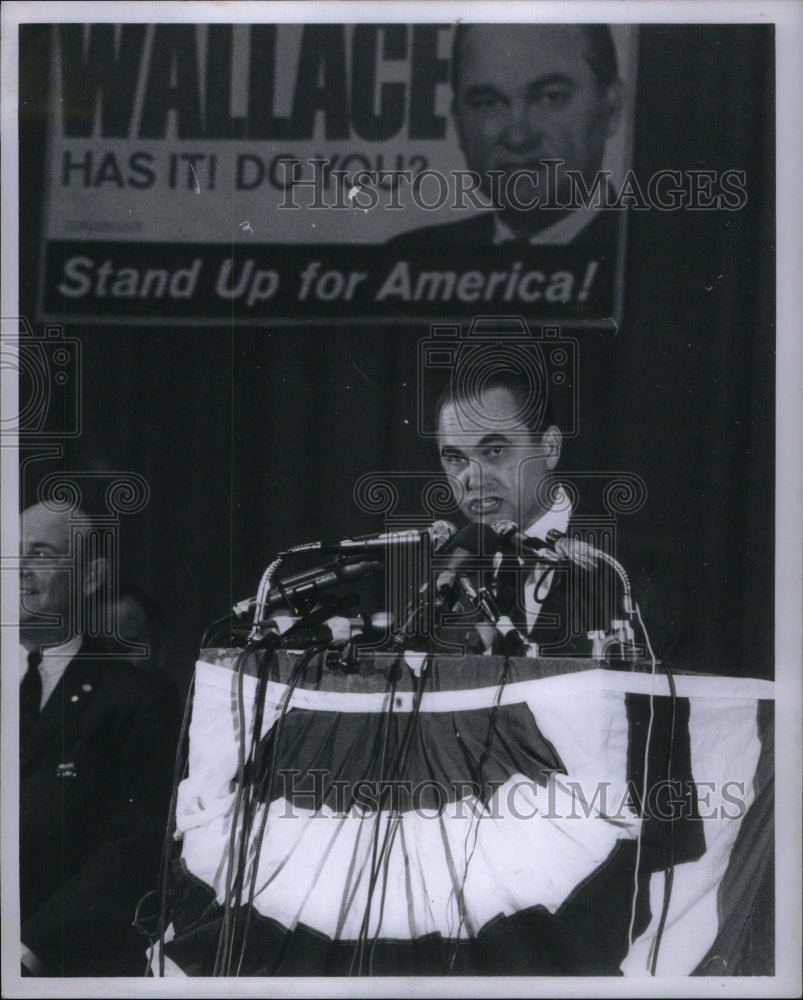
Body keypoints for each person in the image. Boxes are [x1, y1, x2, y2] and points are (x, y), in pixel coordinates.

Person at [18, 501, 180, 976]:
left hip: (50, 957)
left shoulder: (135, 697)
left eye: (41, 553)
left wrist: (28, 950)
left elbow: (135, 842)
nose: (18, 569)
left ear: (91, 578)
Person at [434, 366, 687, 660]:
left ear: (550, 447)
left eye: (494, 451)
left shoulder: (640, 568)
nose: (473, 479)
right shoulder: (446, 583)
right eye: (455, 458)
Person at [389, 23, 623, 249]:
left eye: (550, 97)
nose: (518, 137)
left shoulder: (647, 259)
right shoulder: (405, 259)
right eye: (488, 103)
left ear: (612, 109)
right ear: (458, 122)